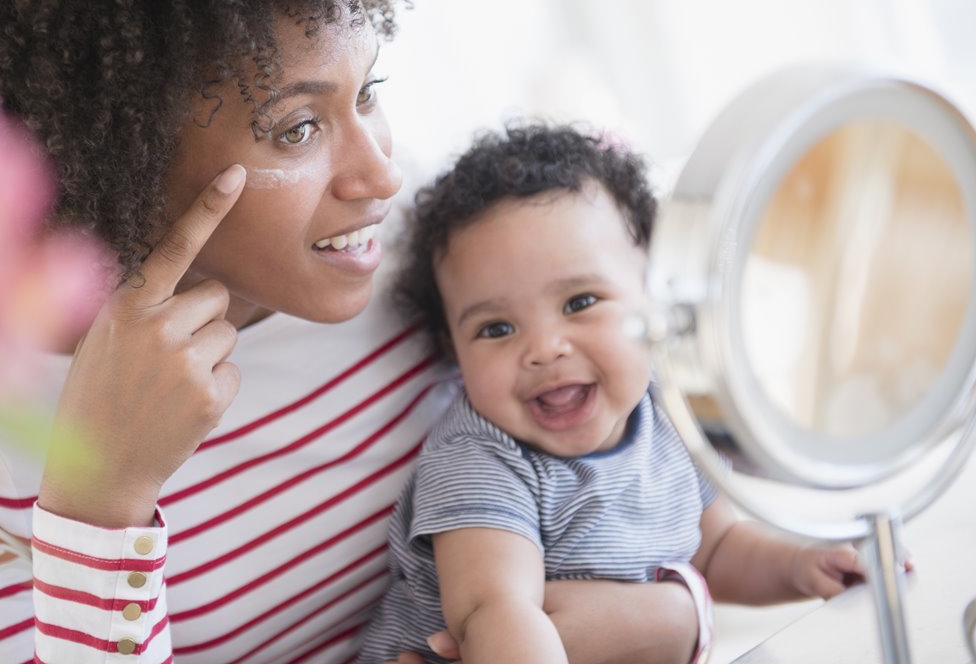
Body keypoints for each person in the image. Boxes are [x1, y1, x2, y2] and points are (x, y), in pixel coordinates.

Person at [0, 0, 705, 663]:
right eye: (296, 129)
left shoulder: (445, 266)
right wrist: (100, 505)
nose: (380, 176)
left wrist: (677, 617)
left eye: (368, 93)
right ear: (112, 158)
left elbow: (627, 484)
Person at [360, 124, 866, 664]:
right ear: (453, 351)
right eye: (496, 329)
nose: (544, 348)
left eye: (580, 302)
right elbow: (495, 609)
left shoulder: (667, 413)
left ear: (652, 294)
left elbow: (716, 549)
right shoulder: (479, 460)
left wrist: (799, 567)